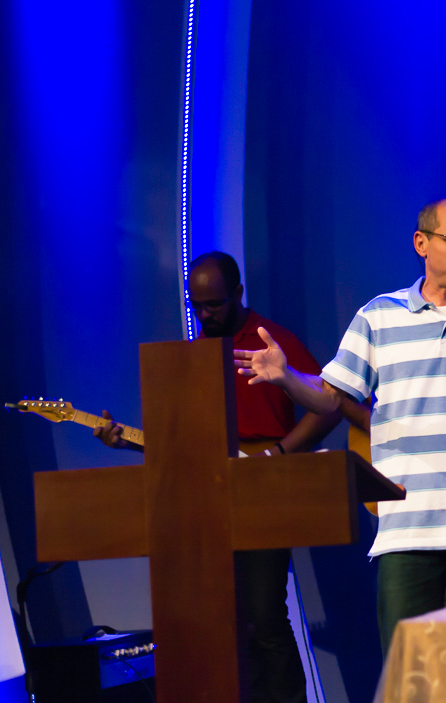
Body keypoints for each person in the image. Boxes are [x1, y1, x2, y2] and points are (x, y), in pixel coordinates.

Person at [233, 198, 446, 654]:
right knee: (410, 675)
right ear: (422, 243)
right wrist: (284, 375)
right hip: (409, 531)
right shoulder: (379, 316)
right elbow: (329, 398)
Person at [95, 251, 360, 703]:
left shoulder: (270, 338)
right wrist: (126, 442)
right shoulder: (195, 354)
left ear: (237, 293)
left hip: (266, 490)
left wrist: (278, 452)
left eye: (214, 303)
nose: (205, 314)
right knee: (229, 620)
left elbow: (329, 407)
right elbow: (187, 448)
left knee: (264, 614)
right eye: (197, 305)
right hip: (213, 497)